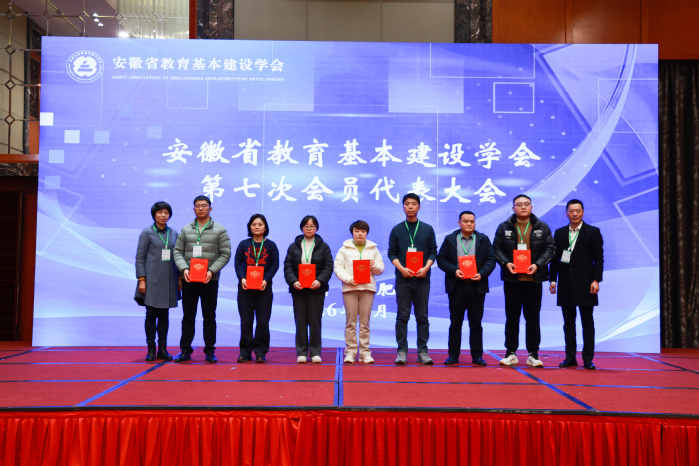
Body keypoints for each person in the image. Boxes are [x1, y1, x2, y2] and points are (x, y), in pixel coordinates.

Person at [493, 194, 555, 367]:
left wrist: (538, 265)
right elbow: (496, 248)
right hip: (512, 280)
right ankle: (510, 353)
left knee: (533, 318)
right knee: (512, 318)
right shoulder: (504, 226)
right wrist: (506, 263)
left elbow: (551, 248)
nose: (523, 207)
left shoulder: (542, 226)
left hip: (534, 280)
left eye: (526, 204)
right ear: (513, 208)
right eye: (519, 204)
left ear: (531, 207)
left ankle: (533, 354)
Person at [173, 195, 231, 363]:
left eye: (204, 205)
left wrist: (212, 271)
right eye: (197, 206)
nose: (200, 208)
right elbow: (177, 251)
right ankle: (185, 350)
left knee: (209, 316)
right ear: (194, 209)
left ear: (210, 208)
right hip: (189, 279)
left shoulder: (220, 229)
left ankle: (210, 351)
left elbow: (225, 253)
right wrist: (184, 268)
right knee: (188, 316)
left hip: (209, 280)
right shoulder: (186, 229)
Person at [549, 199, 604, 370]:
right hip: (566, 284)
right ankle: (570, 357)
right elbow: (555, 259)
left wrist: (596, 280)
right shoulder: (559, 233)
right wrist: (553, 279)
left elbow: (598, 259)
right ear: (566, 213)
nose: (574, 214)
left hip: (586, 284)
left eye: (578, 211)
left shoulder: (593, 232)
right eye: (571, 211)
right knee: (568, 323)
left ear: (583, 213)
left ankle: (588, 359)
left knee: (587, 323)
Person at [437, 210, 496, 366]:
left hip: (477, 286)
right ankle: (453, 355)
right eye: (465, 221)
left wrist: (481, 274)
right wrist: (454, 270)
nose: (469, 224)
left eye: (472, 221)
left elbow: (491, 259)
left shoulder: (483, 239)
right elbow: (441, 259)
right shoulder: (450, 239)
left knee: (476, 324)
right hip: (457, 286)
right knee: (455, 323)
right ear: (459, 223)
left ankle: (477, 356)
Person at [387, 193, 438, 365]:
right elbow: (392, 253)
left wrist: (426, 268)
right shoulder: (397, 229)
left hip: (422, 279)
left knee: (422, 317)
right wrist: (402, 269)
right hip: (403, 280)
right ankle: (402, 351)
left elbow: (433, 252)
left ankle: (423, 352)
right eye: (407, 204)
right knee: (402, 317)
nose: (410, 206)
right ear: (403, 207)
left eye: (414, 204)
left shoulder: (427, 229)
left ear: (419, 207)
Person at [134, 201, 181, 361]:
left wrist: (180, 277)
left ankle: (162, 349)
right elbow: (140, 257)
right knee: (151, 314)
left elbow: (178, 256)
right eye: (160, 212)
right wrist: (142, 279)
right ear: (154, 215)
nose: (163, 215)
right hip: (151, 280)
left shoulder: (174, 233)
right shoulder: (147, 232)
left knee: (164, 315)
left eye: (166, 212)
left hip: (169, 280)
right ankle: (151, 349)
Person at [334, 220, 386, 364]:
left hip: (367, 289)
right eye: (357, 231)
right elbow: (338, 267)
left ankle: (365, 353)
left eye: (363, 231)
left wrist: (374, 265)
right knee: (350, 323)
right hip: (350, 288)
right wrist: (349, 279)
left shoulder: (373, 249)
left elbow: (381, 269)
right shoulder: (344, 249)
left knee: (365, 323)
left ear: (367, 233)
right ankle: (350, 352)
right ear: (352, 232)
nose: (360, 234)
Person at [284, 215, 333, 363]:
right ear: (302, 228)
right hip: (298, 289)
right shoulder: (294, 246)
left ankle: (315, 352)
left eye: (312, 226)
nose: (309, 229)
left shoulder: (323, 246)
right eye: (306, 226)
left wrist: (319, 281)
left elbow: (328, 266)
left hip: (316, 289)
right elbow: (288, 267)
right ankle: (302, 352)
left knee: (315, 321)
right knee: (300, 321)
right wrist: (294, 281)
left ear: (316, 228)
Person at [233, 214, 279, 363]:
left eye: (260, 224)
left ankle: (260, 352)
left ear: (265, 227)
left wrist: (266, 279)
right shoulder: (244, 244)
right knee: (246, 321)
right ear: (250, 227)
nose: (257, 227)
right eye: (254, 224)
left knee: (263, 321)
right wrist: (242, 278)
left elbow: (275, 264)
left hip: (264, 288)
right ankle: (245, 352)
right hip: (245, 288)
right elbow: (237, 263)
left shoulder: (271, 245)